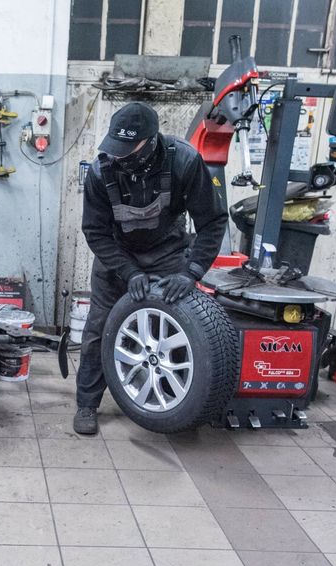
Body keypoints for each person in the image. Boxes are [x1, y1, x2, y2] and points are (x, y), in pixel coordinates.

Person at [73, 102, 228, 435]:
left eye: (129, 149)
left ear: (150, 141)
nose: (120, 156)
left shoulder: (184, 162)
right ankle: (86, 403)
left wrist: (191, 272)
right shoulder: (102, 172)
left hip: (168, 256)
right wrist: (129, 272)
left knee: (173, 329)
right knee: (98, 329)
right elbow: (95, 232)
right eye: (116, 148)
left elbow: (213, 221)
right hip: (116, 257)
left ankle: (174, 405)